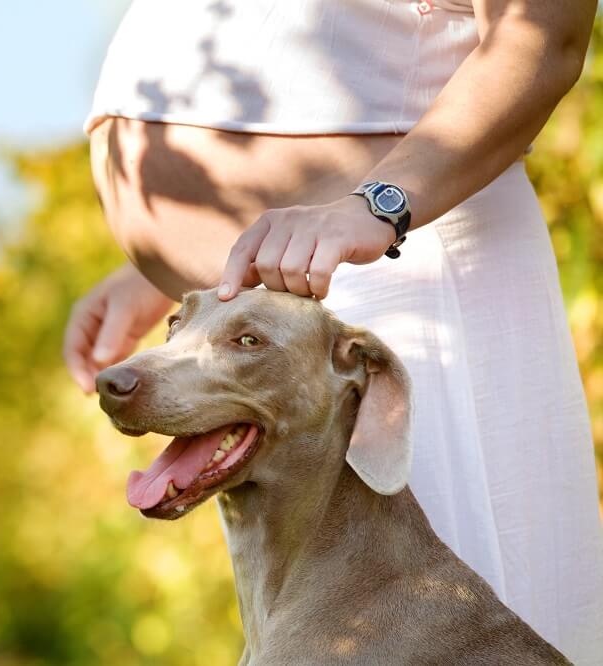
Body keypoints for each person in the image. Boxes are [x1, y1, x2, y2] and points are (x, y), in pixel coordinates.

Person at [63, 0, 603, 662]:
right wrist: (171, 269)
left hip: (408, 272)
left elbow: (541, 40)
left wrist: (379, 206)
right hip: (302, 280)